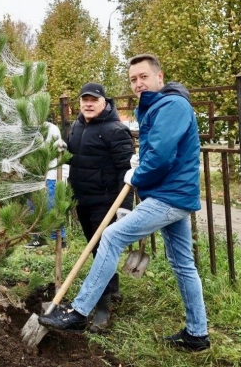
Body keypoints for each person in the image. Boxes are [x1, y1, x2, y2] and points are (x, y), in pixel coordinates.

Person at [39, 54, 210, 351]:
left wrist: (138, 173)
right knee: (183, 264)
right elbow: (156, 151)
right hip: (173, 194)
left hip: (169, 196)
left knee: (112, 236)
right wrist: (141, 162)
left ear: (160, 76)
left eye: (143, 77)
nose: (138, 84)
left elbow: (161, 156)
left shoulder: (171, 105)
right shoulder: (158, 106)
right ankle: (197, 334)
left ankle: (79, 312)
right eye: (133, 79)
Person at [62, 82, 135, 332]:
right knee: (97, 251)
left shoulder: (116, 130)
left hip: (105, 202)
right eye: (84, 100)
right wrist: (61, 150)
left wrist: (123, 208)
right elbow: (74, 158)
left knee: (100, 255)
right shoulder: (77, 127)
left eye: (94, 99)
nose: (88, 104)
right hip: (83, 200)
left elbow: (127, 172)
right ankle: (112, 289)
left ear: (104, 102)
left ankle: (102, 307)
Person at [25, 121, 68, 249]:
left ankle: (60, 240)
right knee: (32, 206)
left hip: (50, 174)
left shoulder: (50, 128)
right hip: (32, 175)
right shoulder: (25, 128)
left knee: (51, 206)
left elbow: (55, 151)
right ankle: (38, 238)